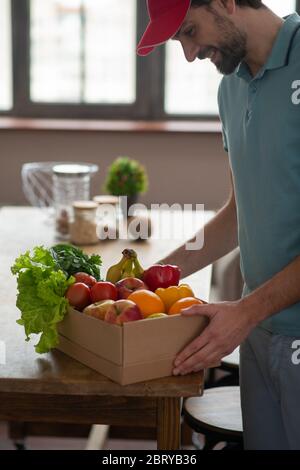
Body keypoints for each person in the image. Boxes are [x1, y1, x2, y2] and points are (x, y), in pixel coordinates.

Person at [137, 0, 300, 450]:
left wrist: (242, 314)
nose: (189, 54)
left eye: (189, 31)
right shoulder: (230, 88)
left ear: (227, 2)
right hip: (258, 331)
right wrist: (152, 279)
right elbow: (237, 213)